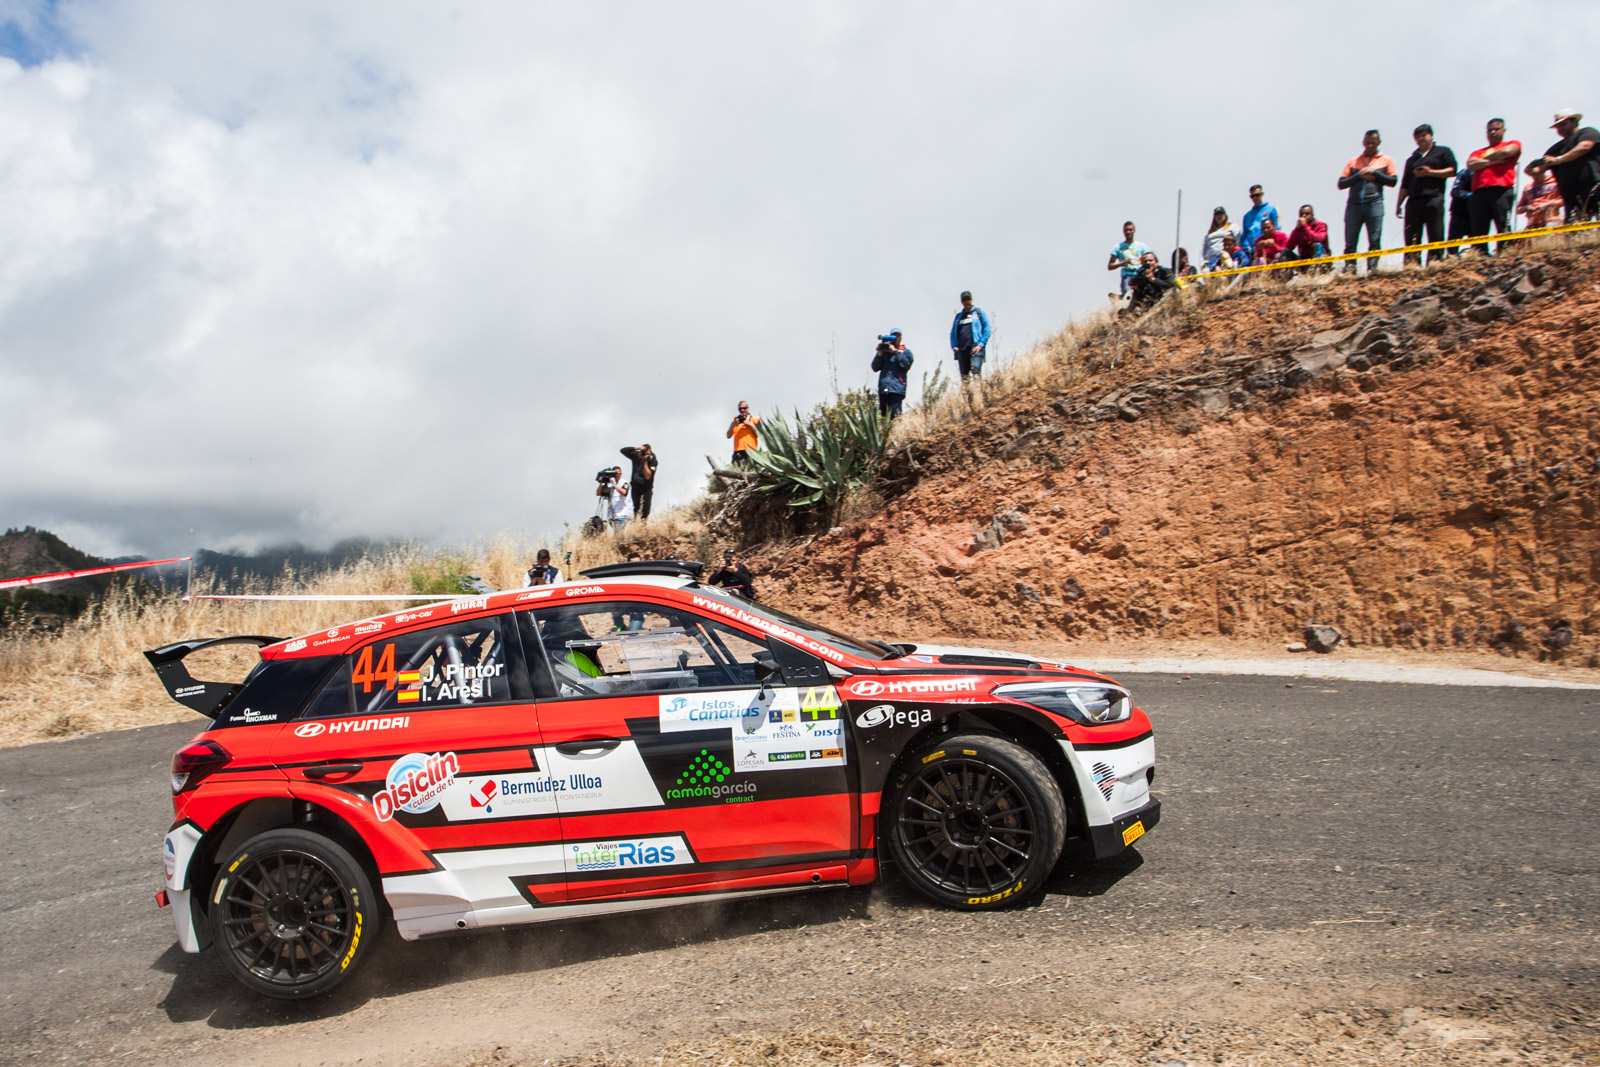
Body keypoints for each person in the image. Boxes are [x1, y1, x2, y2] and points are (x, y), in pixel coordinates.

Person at [1396, 124, 1459, 265]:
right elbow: (1405, 184)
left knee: (1435, 233)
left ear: (1431, 136)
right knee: (1411, 237)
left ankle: (1435, 264)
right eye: (1417, 137)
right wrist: (1398, 204)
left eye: (1424, 135)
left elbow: (1452, 170)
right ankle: (1412, 265)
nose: (1421, 139)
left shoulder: (1443, 151)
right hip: (1413, 201)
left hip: (1433, 198)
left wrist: (1430, 172)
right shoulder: (1411, 159)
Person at [1338, 129, 1398, 273]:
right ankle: (1350, 270)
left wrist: (1375, 173)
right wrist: (1359, 175)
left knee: (1374, 239)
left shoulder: (1386, 160)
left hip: (1374, 203)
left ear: (1379, 143)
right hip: (1354, 204)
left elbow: (1393, 181)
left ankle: (1372, 269)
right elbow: (1341, 183)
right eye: (1367, 143)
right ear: (1363, 143)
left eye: (1373, 143)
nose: (1370, 145)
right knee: (1350, 240)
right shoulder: (1354, 161)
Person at [1527, 108, 1600, 222]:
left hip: (1594, 187)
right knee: (1573, 228)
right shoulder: (1554, 149)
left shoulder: (1588, 132)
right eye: (1558, 126)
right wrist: (1530, 169)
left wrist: (1558, 160)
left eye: (1563, 124)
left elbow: (1584, 147)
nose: (1560, 128)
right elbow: (1539, 170)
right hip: (1571, 195)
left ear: (1575, 122)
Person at [1466, 118, 1521, 254]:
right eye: (1490, 130)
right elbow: (1471, 164)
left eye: (1496, 129)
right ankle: (1481, 254)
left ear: (1504, 130)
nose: (1493, 132)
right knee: (1478, 227)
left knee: (1503, 223)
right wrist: (1494, 161)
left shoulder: (1512, 143)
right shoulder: (1478, 151)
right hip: (1479, 192)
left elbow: (1507, 152)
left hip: (1501, 190)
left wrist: (1483, 160)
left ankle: (1505, 252)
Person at [948, 292, 991, 381]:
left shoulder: (979, 313)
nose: (966, 301)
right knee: (964, 377)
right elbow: (953, 333)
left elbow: (987, 329)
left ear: (971, 299)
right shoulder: (958, 317)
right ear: (961, 302)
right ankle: (967, 390)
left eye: (968, 299)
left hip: (976, 347)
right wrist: (954, 346)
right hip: (962, 350)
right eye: (964, 300)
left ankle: (978, 389)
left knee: (976, 370)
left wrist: (981, 344)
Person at [871, 333, 914, 418]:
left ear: (901, 338)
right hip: (884, 388)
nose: (896, 339)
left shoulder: (905, 352)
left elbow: (906, 365)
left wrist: (895, 352)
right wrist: (879, 354)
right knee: (884, 415)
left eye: (898, 336)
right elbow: (875, 367)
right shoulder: (885, 353)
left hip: (897, 388)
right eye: (894, 336)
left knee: (896, 415)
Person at [1106, 221, 1149, 296]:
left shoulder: (1142, 246)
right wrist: (1123, 262)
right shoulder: (1118, 247)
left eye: (1130, 230)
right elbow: (1110, 266)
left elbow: (1149, 259)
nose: (1128, 232)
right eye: (1126, 230)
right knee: (1128, 293)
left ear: (1134, 230)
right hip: (1127, 275)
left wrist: (1143, 261)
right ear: (1123, 232)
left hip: (1140, 274)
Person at [619, 444, 658, 521]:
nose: (644, 453)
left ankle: (643, 524)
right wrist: (636, 448)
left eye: (646, 451)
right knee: (635, 508)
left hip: (647, 488)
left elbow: (648, 476)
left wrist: (645, 461)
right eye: (642, 451)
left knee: (645, 510)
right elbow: (622, 450)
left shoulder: (653, 460)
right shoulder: (637, 455)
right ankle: (635, 523)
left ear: (650, 451)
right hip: (635, 487)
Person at [1241, 185, 1279, 254]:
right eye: (1252, 196)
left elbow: (1277, 228)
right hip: (1252, 251)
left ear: (1262, 194)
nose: (1255, 198)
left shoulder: (1271, 209)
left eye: (1257, 195)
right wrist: (1245, 249)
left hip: (1268, 249)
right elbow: (1244, 235)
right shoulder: (1247, 216)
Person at [1447, 165, 1473, 255]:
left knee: (1478, 247)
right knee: (1452, 249)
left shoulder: (1486, 173)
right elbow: (1455, 191)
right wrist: (1475, 197)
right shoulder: (1465, 172)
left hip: (1477, 215)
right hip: (1459, 213)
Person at [726, 401, 761, 466]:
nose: (742, 410)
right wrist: (733, 424)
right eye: (740, 409)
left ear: (748, 408)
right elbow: (728, 435)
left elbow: (760, 434)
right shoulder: (735, 420)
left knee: (751, 469)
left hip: (751, 451)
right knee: (735, 470)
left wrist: (749, 425)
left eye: (744, 408)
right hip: (738, 451)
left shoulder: (755, 419)